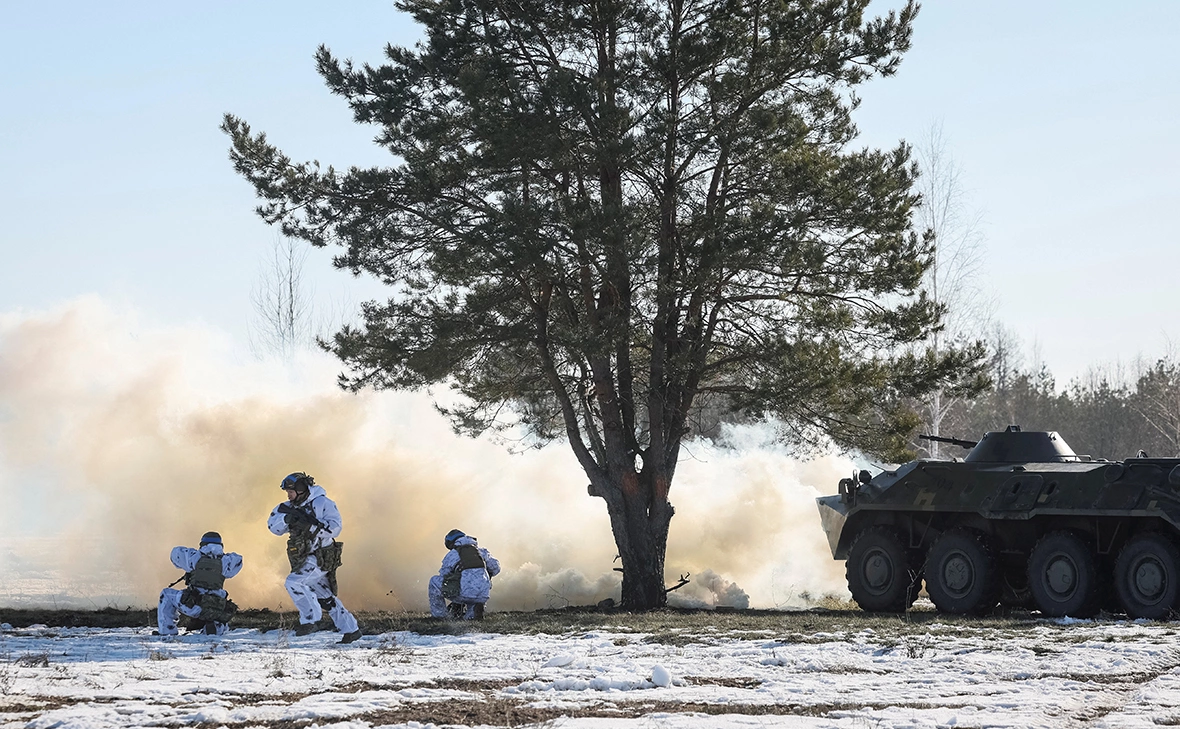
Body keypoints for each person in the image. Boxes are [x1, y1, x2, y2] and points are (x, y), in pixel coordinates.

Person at [267, 471, 363, 644]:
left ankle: (310, 620)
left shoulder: (323, 503)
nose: (288, 495)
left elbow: (335, 528)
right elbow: (273, 527)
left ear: (302, 489)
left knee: (294, 582)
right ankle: (351, 629)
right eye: (287, 492)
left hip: (320, 557)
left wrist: (311, 527)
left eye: (291, 491)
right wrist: (287, 519)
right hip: (302, 557)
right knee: (326, 598)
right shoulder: (288, 506)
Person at [157, 531, 243, 636]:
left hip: (194, 606)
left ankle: (167, 631)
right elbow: (238, 561)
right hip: (216, 608)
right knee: (219, 616)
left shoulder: (193, 557)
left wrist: (193, 567)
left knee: (166, 594)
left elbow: (175, 554)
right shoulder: (228, 561)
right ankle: (215, 628)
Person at [428, 529, 501, 620]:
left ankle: (440, 616)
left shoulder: (452, 555)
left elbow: (444, 576)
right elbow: (496, 568)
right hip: (483, 595)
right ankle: (473, 612)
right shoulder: (482, 551)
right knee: (471, 616)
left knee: (434, 582)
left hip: (464, 593)